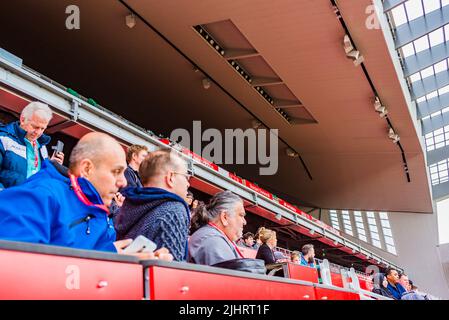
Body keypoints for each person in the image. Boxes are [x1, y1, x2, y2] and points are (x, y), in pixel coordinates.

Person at [0, 132, 171, 261]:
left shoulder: (102, 215)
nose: (123, 182)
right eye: (116, 172)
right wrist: (108, 258)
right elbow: (16, 272)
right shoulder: (38, 197)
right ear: (87, 169)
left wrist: (139, 266)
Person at [115, 148, 191, 261]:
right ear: (171, 177)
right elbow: (173, 271)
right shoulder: (175, 210)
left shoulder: (128, 204)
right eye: (186, 176)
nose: (188, 184)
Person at [0, 101, 64, 190]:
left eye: (42, 128)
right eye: (35, 127)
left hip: (30, 202)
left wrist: (50, 166)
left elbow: (42, 179)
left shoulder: (42, 147)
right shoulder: (3, 138)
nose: (38, 132)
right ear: (22, 119)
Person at [188, 191, 246, 265]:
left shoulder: (213, 236)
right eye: (241, 215)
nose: (244, 222)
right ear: (224, 217)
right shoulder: (213, 240)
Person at [109, 144, 148, 218]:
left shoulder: (136, 175)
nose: (146, 159)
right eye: (144, 156)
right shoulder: (127, 172)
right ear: (134, 156)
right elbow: (133, 196)